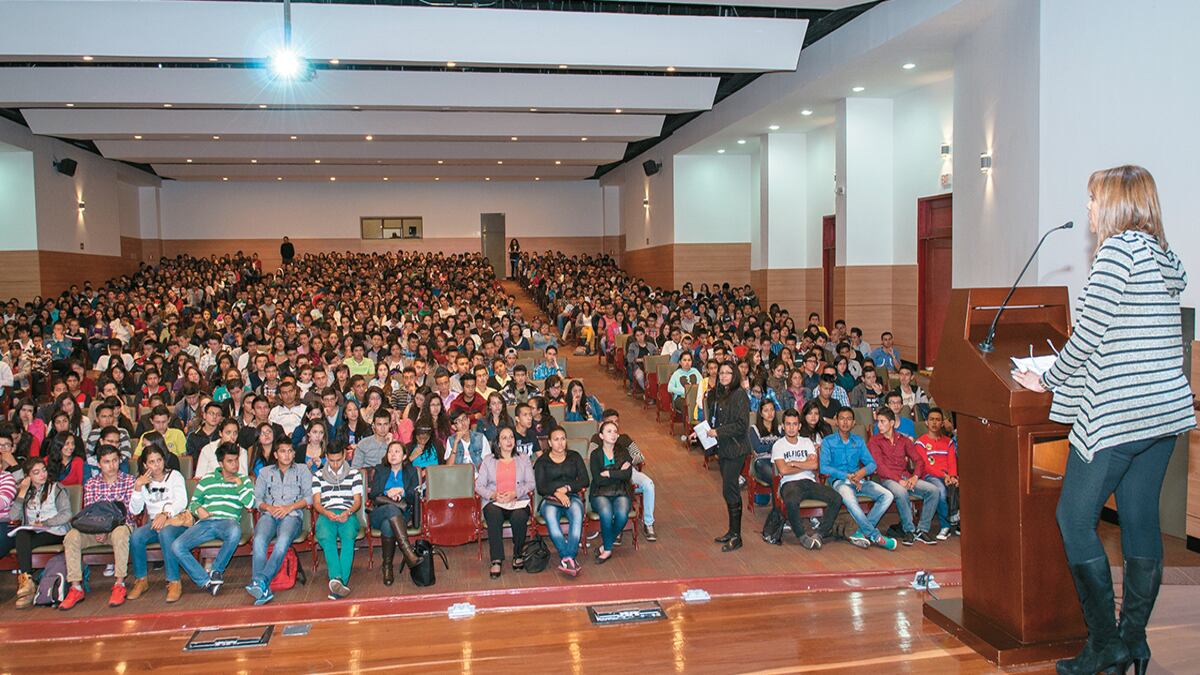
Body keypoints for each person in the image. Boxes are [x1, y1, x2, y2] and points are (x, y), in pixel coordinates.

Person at [1011, 165, 1194, 675]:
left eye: (1093, 199)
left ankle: (1104, 643)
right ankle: (1132, 642)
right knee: (1140, 523)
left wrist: (1046, 380)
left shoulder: (1117, 252)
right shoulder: (1162, 257)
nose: (1088, 209)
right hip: (1163, 417)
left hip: (1120, 415)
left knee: (1073, 518)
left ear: (1114, 203)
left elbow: (1088, 337)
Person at [172, 442, 255, 596]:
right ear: (220, 463)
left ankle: (216, 571)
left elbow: (250, 503)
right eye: (230, 461)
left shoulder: (244, 480)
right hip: (205, 522)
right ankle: (205, 581)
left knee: (235, 532)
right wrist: (199, 509)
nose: (235, 464)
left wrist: (239, 485)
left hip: (228, 523)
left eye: (236, 460)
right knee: (177, 545)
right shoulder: (207, 479)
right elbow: (193, 503)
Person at [59, 444, 136, 610]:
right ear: (99, 464)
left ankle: (119, 583)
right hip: (94, 529)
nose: (112, 465)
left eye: (115, 461)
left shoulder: (129, 481)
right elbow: (90, 512)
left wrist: (105, 529)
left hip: (119, 527)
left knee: (121, 533)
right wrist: (98, 529)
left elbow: (129, 512)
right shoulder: (92, 484)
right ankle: (75, 587)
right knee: (71, 537)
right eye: (107, 462)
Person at [762, 409, 842, 549]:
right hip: (789, 483)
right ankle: (802, 536)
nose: (791, 428)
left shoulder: (807, 442)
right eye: (788, 424)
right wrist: (805, 464)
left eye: (794, 424)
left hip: (809, 482)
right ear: (783, 426)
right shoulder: (779, 445)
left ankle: (820, 533)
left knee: (836, 498)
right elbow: (783, 470)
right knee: (791, 501)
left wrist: (793, 463)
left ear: (799, 426)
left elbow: (815, 465)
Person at [246, 439, 313, 605]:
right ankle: (263, 588)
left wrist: (288, 508)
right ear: (275, 454)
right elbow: (256, 500)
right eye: (283, 451)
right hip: (269, 514)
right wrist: (269, 508)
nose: (287, 454)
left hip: (292, 515)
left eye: (290, 451)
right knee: (259, 539)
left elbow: (310, 497)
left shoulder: (303, 470)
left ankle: (261, 580)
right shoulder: (265, 472)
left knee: (283, 540)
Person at [820, 408, 897, 551]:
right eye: (841, 418)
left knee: (887, 495)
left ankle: (861, 532)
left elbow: (872, 464)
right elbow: (824, 468)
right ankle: (874, 534)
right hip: (839, 481)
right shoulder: (828, 442)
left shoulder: (859, 441)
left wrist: (862, 472)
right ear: (836, 422)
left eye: (849, 419)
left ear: (854, 423)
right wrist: (846, 476)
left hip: (859, 481)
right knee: (850, 499)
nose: (845, 422)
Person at [126, 444, 190, 603]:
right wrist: (137, 488)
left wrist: (165, 513)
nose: (156, 465)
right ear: (144, 465)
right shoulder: (143, 482)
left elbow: (182, 501)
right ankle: (141, 580)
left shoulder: (174, 476)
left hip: (175, 521)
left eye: (159, 460)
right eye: (152, 462)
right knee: (137, 536)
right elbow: (135, 510)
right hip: (155, 523)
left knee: (166, 533)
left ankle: (174, 581)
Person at [868, 407, 940, 546]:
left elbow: (919, 461)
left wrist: (915, 477)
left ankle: (922, 530)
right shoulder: (874, 441)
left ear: (892, 423)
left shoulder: (904, 440)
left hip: (905, 477)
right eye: (878, 422)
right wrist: (899, 480)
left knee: (933, 491)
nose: (879, 425)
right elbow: (880, 467)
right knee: (901, 492)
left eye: (882, 422)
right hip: (886, 479)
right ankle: (909, 530)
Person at [10, 457, 73, 609]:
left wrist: (45, 523)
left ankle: (27, 582)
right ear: (28, 476)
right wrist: (23, 492)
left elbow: (67, 514)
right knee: (22, 535)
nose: (42, 475)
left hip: (56, 531)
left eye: (43, 470)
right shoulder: (27, 492)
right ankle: (29, 580)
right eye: (36, 472)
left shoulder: (56, 488)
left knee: (23, 541)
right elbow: (13, 517)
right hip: (35, 532)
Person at [702, 362, 750, 552]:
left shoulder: (739, 395)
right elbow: (712, 420)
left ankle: (737, 536)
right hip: (723, 448)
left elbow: (741, 425)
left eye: (727, 373)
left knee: (730, 489)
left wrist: (717, 432)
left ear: (734, 375)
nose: (722, 376)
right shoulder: (718, 394)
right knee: (728, 490)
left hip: (736, 448)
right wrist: (703, 432)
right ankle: (732, 531)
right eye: (720, 372)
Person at [475, 426, 534, 579]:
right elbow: (479, 486)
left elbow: (531, 483)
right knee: (493, 515)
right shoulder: (489, 460)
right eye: (504, 438)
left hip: (517, 501)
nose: (509, 441)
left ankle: (518, 554)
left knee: (520, 517)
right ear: (498, 442)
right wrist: (494, 495)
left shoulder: (523, 458)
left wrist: (516, 493)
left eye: (511, 437)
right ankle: (496, 559)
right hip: (495, 502)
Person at [312, 443, 364, 599]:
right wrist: (327, 512)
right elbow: (316, 503)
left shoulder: (354, 474)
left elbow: (357, 502)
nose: (335, 464)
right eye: (332, 460)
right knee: (327, 539)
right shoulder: (318, 475)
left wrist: (347, 512)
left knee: (348, 538)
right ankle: (339, 581)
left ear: (344, 456)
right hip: (326, 513)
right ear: (326, 457)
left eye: (339, 460)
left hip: (347, 513)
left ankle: (339, 580)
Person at [367, 440, 422, 586]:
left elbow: (414, 495)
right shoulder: (380, 469)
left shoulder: (411, 471)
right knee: (391, 510)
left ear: (404, 456)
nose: (393, 454)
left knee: (388, 525)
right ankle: (408, 552)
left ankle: (387, 567)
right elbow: (373, 495)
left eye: (397, 451)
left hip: (402, 515)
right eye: (390, 451)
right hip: (379, 512)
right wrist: (389, 493)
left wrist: (402, 491)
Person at [535, 427, 588, 576]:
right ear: (550, 443)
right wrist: (557, 493)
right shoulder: (542, 461)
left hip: (571, 496)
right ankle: (569, 556)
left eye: (563, 439)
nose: (560, 443)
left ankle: (567, 557)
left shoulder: (574, 456)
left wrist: (566, 488)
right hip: (550, 499)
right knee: (551, 517)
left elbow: (585, 480)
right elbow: (541, 487)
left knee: (577, 513)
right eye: (556, 439)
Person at [588, 420, 632, 564]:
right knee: (606, 512)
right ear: (601, 436)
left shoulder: (623, 451)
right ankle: (607, 550)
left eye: (615, 431)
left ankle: (604, 546)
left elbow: (628, 475)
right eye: (609, 431)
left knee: (622, 514)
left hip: (621, 491)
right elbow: (598, 480)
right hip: (600, 492)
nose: (613, 434)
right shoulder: (595, 454)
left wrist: (609, 473)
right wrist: (619, 473)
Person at [915, 407, 958, 540]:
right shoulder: (920, 443)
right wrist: (944, 476)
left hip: (947, 476)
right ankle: (946, 525)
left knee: (958, 487)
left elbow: (952, 462)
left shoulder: (948, 442)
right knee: (940, 491)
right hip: (930, 476)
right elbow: (925, 466)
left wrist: (953, 476)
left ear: (942, 423)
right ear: (926, 422)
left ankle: (957, 524)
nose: (934, 423)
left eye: (938, 420)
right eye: (931, 420)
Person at [749, 400, 780, 486]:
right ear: (761, 414)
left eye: (772, 410)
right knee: (776, 479)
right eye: (766, 411)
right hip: (762, 461)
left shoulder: (780, 428)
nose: (770, 413)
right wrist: (774, 447)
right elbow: (758, 448)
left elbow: (785, 445)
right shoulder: (754, 429)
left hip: (779, 460)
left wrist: (768, 447)